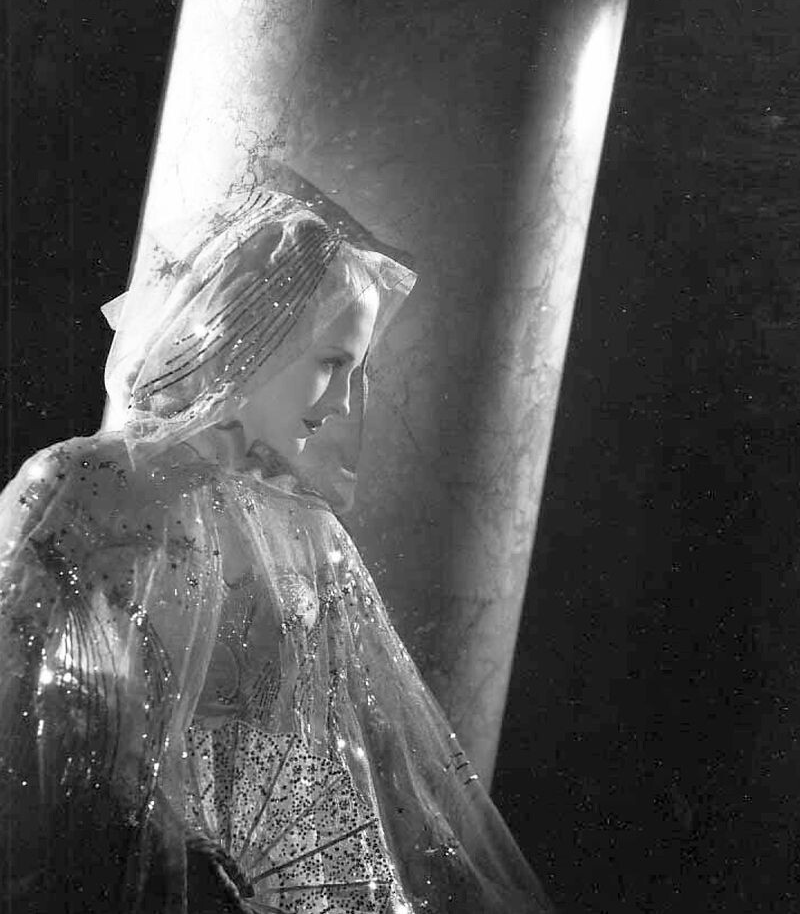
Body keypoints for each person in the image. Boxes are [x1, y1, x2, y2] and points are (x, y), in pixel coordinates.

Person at [0, 189, 553, 913]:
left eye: (356, 370)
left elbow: (381, 770)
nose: (343, 402)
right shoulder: (78, 485)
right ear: (255, 334)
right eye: (331, 361)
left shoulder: (309, 536)